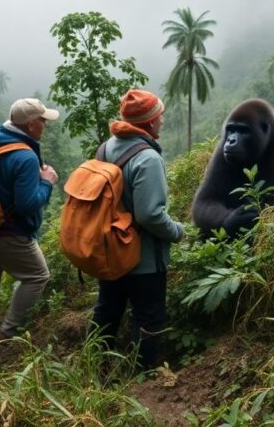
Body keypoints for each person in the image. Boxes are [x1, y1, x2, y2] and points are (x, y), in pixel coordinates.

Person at [91, 89, 185, 369]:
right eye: (160, 116)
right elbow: (150, 215)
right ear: (148, 122)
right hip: (142, 259)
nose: (162, 121)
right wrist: (178, 231)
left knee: (108, 308)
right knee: (149, 316)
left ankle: (94, 367)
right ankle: (141, 377)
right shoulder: (148, 158)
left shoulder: (106, 148)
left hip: (110, 251)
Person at [0, 98, 60, 349]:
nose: (45, 125)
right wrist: (47, 182)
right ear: (31, 124)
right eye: (42, 121)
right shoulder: (25, 156)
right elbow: (27, 205)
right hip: (8, 232)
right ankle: (6, 338)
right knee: (38, 276)